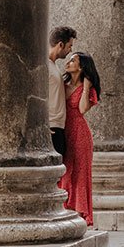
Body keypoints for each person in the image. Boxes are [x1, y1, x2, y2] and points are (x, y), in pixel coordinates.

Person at [57, 51, 102, 226]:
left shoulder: (88, 89)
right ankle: (64, 210)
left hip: (80, 134)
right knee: (65, 172)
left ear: (81, 67)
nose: (68, 62)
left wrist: (85, 87)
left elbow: (82, 109)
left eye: (73, 60)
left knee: (80, 175)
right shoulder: (61, 83)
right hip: (62, 130)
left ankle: (78, 215)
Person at [48, 26, 77, 158]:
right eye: (69, 46)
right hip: (51, 128)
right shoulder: (44, 66)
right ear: (60, 44)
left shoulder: (53, 66)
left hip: (58, 127)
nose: (70, 50)